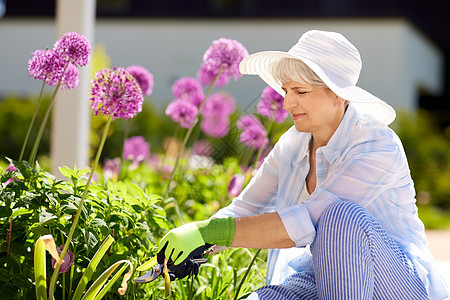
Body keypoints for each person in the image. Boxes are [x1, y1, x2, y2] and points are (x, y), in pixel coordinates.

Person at [156, 30, 449, 299]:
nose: (287, 104)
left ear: (338, 94)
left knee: (340, 217)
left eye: (301, 92)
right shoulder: (294, 143)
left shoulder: (376, 144)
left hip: (393, 282)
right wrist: (197, 240)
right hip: (319, 275)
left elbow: (309, 220)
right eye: (286, 92)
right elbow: (246, 208)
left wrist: (211, 232)